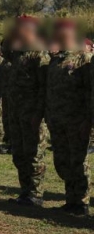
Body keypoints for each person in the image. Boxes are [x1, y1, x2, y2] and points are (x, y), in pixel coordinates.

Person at [46, 19, 90, 216]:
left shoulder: (84, 58)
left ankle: (81, 202)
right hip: (57, 119)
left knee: (78, 161)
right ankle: (70, 199)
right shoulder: (56, 60)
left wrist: (88, 120)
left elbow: (89, 92)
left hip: (77, 119)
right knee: (62, 161)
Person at [5, 15, 50, 207]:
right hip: (16, 111)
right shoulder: (18, 52)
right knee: (19, 153)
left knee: (34, 153)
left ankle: (35, 194)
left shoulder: (39, 53)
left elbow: (43, 87)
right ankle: (25, 191)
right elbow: (4, 49)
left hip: (32, 112)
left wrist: (38, 113)